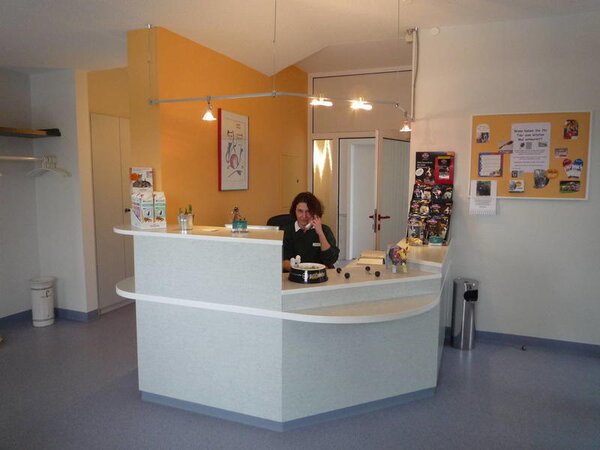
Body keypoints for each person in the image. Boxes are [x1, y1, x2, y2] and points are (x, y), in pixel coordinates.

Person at [282, 192, 340, 272]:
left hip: (319, 275)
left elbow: (330, 259)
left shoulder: (325, 230)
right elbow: (282, 260)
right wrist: (302, 271)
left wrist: (320, 233)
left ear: (315, 213)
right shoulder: (286, 231)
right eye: (300, 211)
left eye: (308, 211)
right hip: (295, 275)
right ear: (294, 211)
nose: (304, 216)